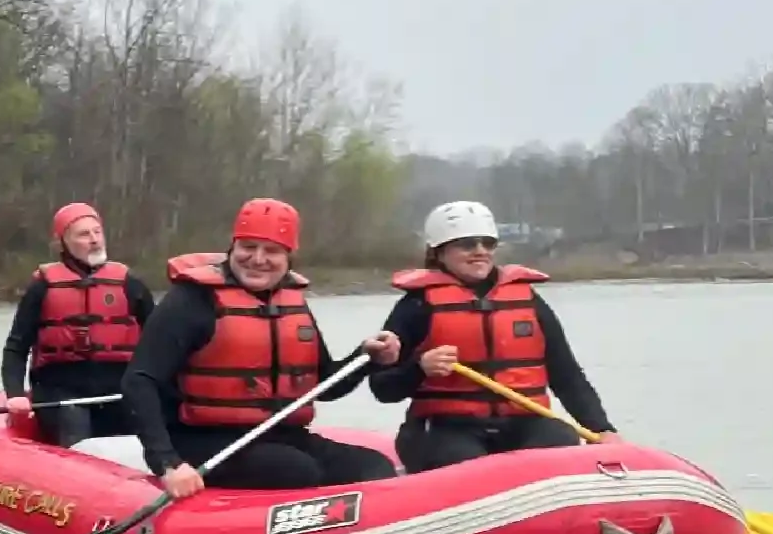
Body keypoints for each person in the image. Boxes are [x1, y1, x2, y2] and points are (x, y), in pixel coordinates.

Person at [121, 196, 403, 493]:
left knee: (374, 467)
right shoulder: (191, 301)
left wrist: (366, 357)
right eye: (248, 247)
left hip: (279, 435)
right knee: (294, 470)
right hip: (203, 440)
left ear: (288, 258)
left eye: (271, 251)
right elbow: (139, 381)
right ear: (233, 248)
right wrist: (167, 463)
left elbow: (326, 387)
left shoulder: (291, 303)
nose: (257, 259)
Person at [371, 200, 614, 472]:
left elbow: (567, 376)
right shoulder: (416, 306)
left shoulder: (528, 301)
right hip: (446, 428)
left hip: (524, 423)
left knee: (560, 440)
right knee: (467, 462)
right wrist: (420, 368)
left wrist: (602, 428)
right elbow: (382, 389)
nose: (480, 252)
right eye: (467, 244)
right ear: (438, 252)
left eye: (487, 244)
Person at [0, 201, 155, 446]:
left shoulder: (129, 283)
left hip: (118, 390)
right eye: (84, 234)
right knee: (76, 432)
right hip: (60, 391)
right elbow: (16, 348)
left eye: (97, 231)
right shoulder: (42, 287)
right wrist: (15, 394)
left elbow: (160, 342)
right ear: (63, 242)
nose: (94, 239)